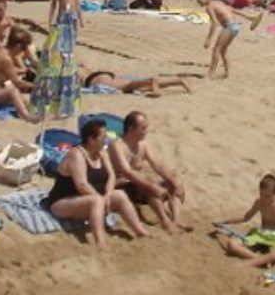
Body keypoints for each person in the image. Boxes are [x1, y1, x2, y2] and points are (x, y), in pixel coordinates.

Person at [45, 118, 149, 248]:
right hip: (63, 201)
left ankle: (140, 231)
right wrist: (102, 199)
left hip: (87, 198)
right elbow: (82, 186)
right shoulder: (77, 155)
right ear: (91, 139)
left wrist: (108, 195)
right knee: (96, 201)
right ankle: (100, 243)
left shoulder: (101, 152)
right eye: (102, 137)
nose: (105, 139)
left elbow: (111, 175)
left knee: (120, 196)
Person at [107, 110, 188, 233]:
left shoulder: (143, 144)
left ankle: (176, 219)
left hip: (137, 184)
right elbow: (127, 172)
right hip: (121, 186)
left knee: (174, 183)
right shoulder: (117, 145)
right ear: (131, 128)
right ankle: (165, 222)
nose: (146, 131)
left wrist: (173, 182)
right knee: (150, 187)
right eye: (143, 128)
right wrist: (151, 186)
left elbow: (158, 165)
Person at [214, 173, 275, 281]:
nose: (264, 198)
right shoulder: (259, 202)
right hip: (261, 235)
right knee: (232, 245)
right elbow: (246, 217)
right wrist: (225, 221)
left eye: (267, 196)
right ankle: (260, 260)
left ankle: (247, 263)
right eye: (261, 194)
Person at [196, 0, 261, 78]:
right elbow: (231, 9)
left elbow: (214, 23)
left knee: (216, 49)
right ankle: (227, 73)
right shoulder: (218, 2)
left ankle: (210, 74)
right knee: (223, 50)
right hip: (236, 26)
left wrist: (208, 39)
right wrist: (248, 17)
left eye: (198, 0)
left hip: (229, 27)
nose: (198, 3)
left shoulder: (209, 7)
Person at [82, 69, 192, 96]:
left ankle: (151, 81)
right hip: (101, 76)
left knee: (128, 86)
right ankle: (178, 81)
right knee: (141, 87)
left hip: (95, 80)